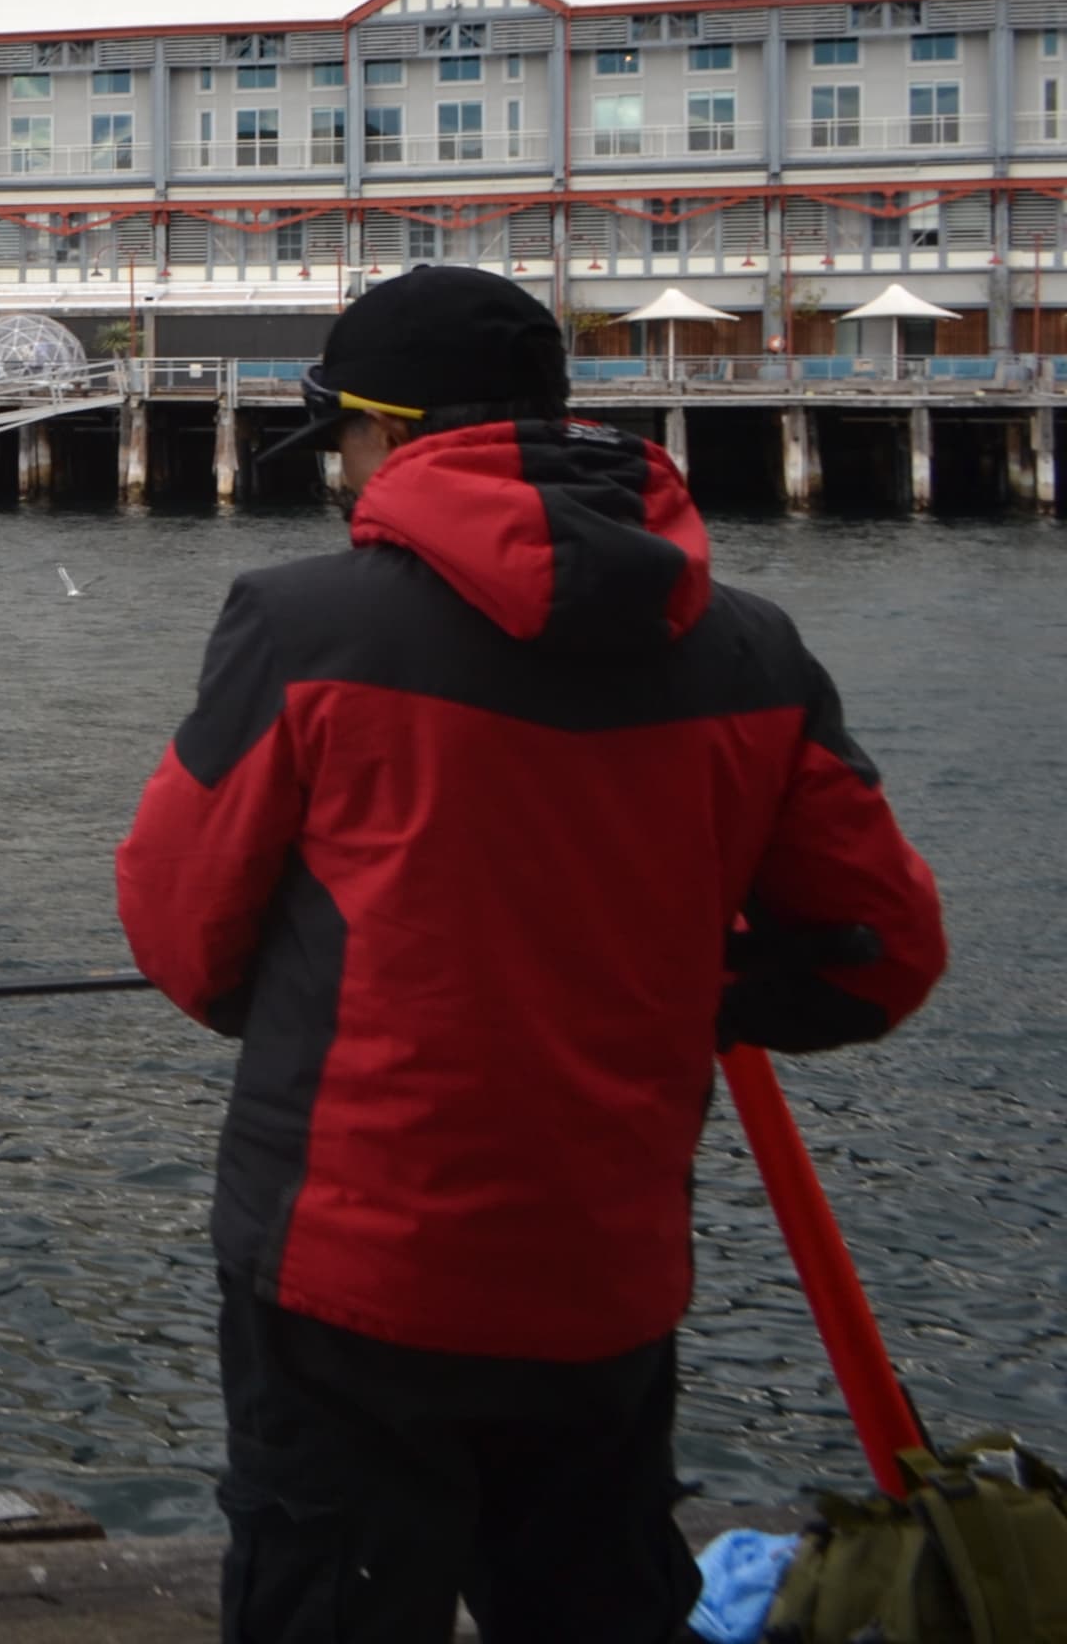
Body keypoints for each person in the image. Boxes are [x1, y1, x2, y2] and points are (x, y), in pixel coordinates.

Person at [117, 267, 945, 1644]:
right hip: (606, 1269)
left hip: (348, 1264)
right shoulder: (752, 652)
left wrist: (317, 988)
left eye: (342, 443)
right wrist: (693, 991)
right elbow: (881, 956)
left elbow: (177, 929)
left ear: (387, 434)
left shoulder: (303, 626)